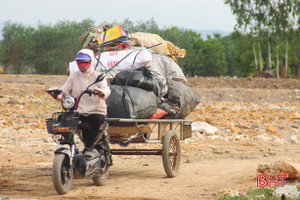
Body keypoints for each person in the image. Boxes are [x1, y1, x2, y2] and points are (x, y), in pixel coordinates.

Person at [48, 49, 111, 154]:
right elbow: (64, 91)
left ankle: (89, 146)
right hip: (78, 111)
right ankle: (69, 143)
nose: (82, 65)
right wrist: (56, 94)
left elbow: (106, 89)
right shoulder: (73, 76)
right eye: (80, 62)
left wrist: (100, 92)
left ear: (91, 62)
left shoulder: (99, 76)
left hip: (95, 110)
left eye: (85, 62)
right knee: (63, 119)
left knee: (96, 119)